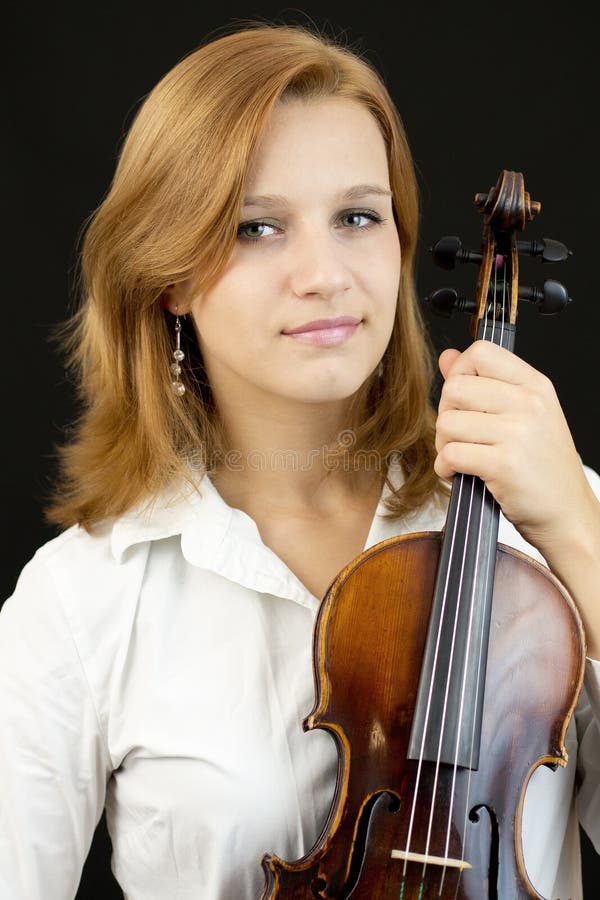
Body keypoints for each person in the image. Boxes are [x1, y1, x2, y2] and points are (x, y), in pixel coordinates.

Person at [1, 21, 599, 900]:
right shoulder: (84, 598)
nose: (325, 273)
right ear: (167, 273)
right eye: (256, 228)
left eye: (358, 216)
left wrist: (579, 536)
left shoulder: (549, 519)